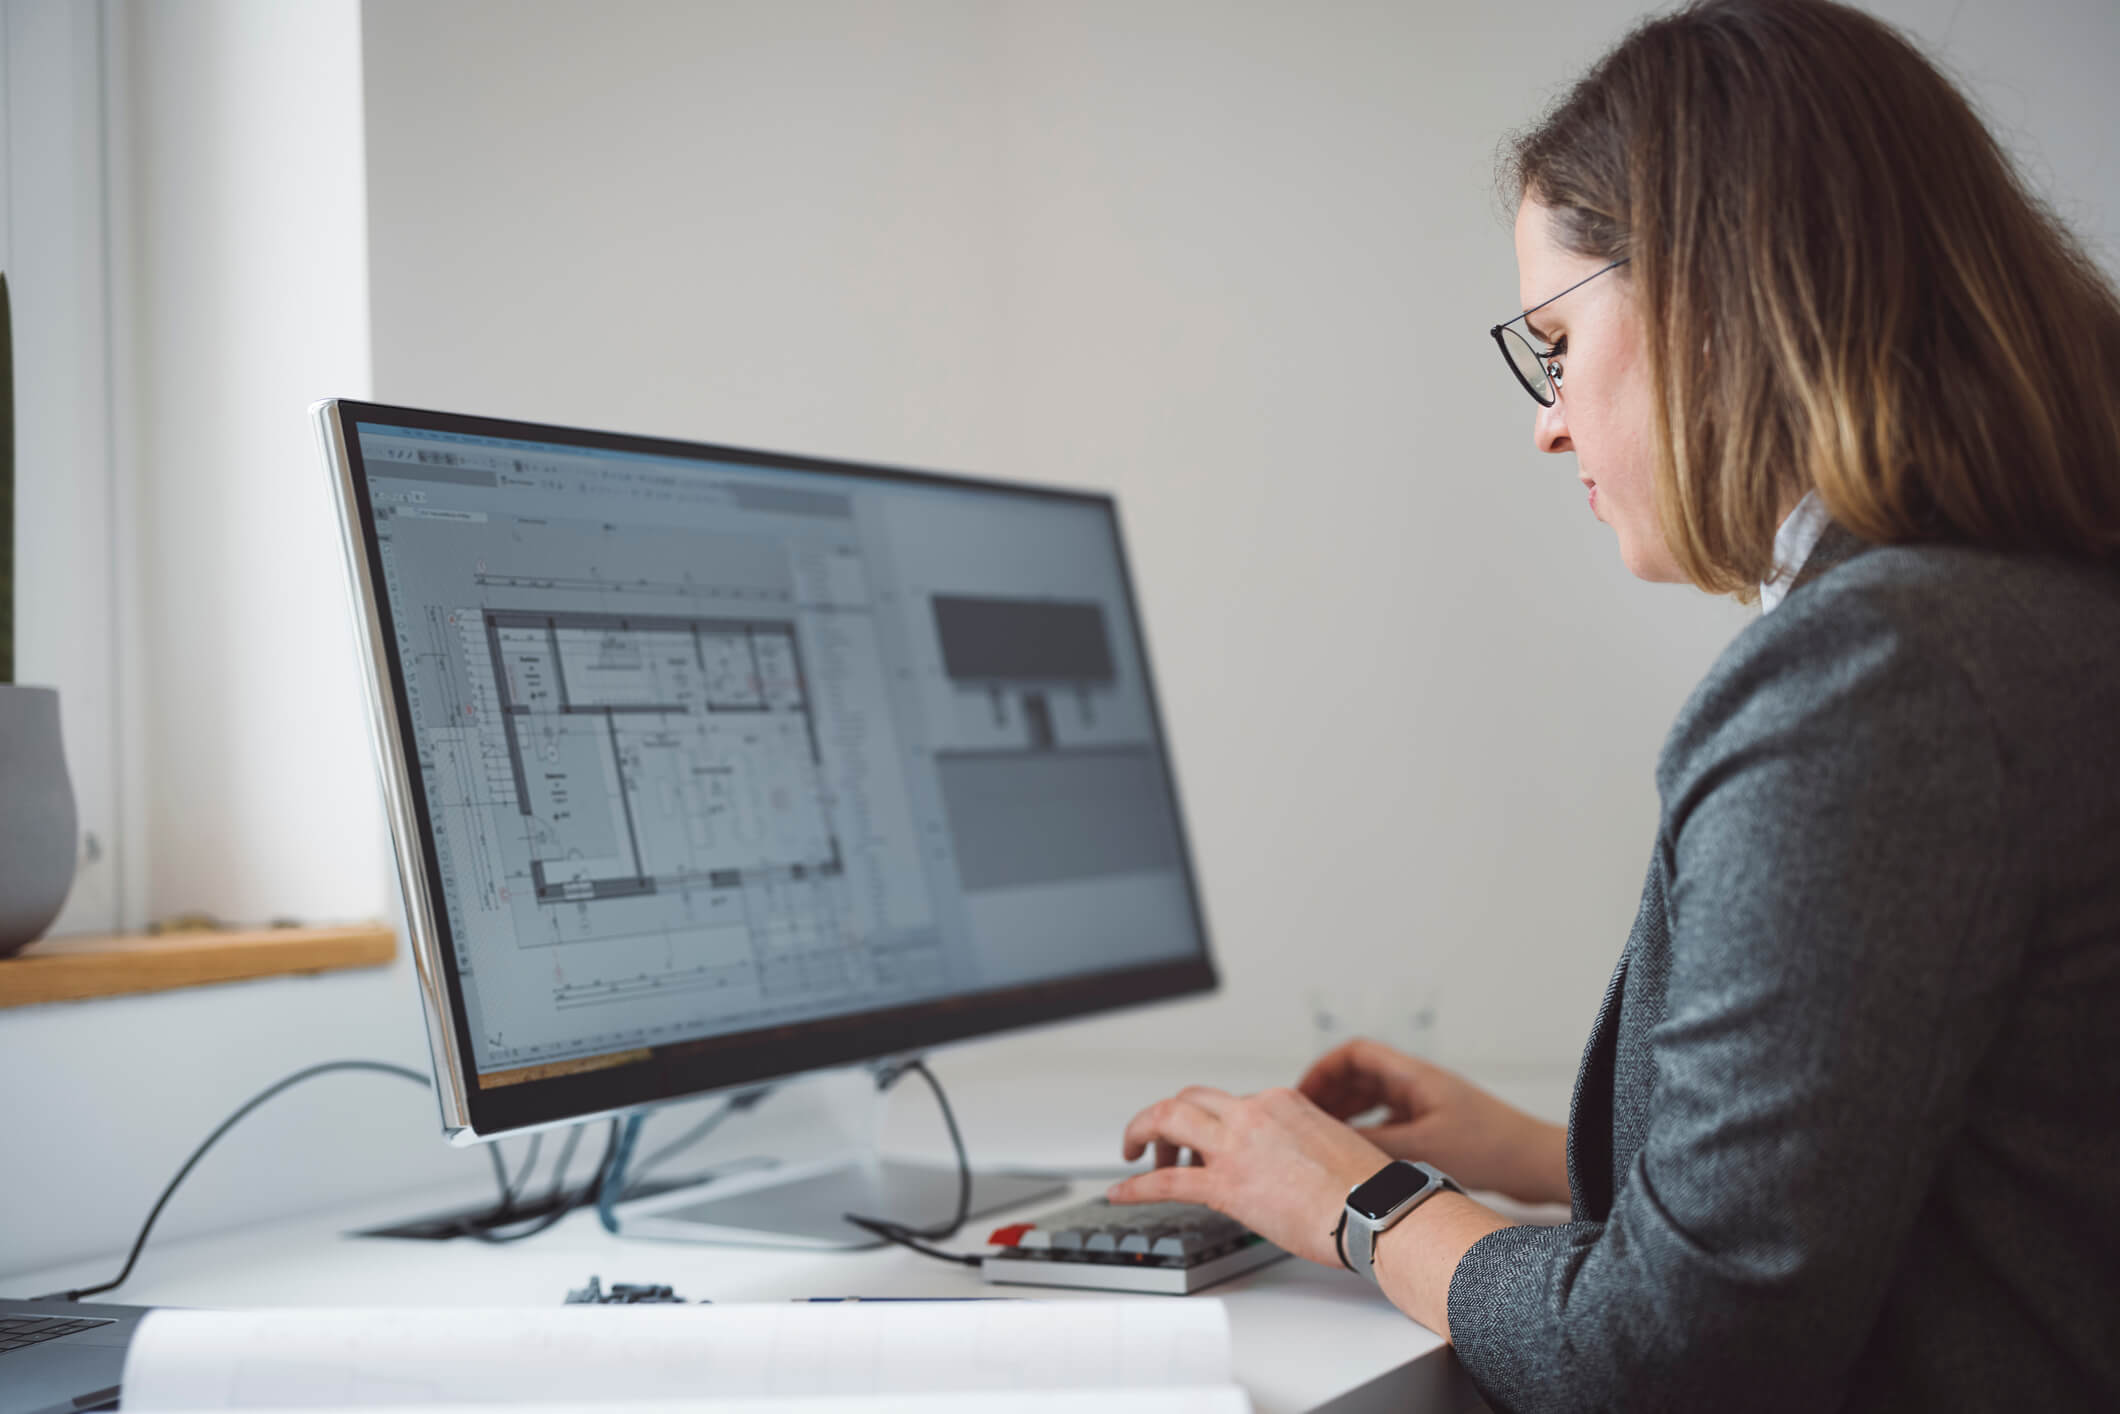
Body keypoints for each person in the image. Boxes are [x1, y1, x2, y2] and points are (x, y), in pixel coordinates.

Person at [1106, 1, 2120, 1408]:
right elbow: (1935, 1135)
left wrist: (1361, 1201)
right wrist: (1537, 1150)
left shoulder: (1881, 677)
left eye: (1557, 341)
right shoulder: (2036, 607)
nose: (1550, 417)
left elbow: (1674, 1353)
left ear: (1708, 296)